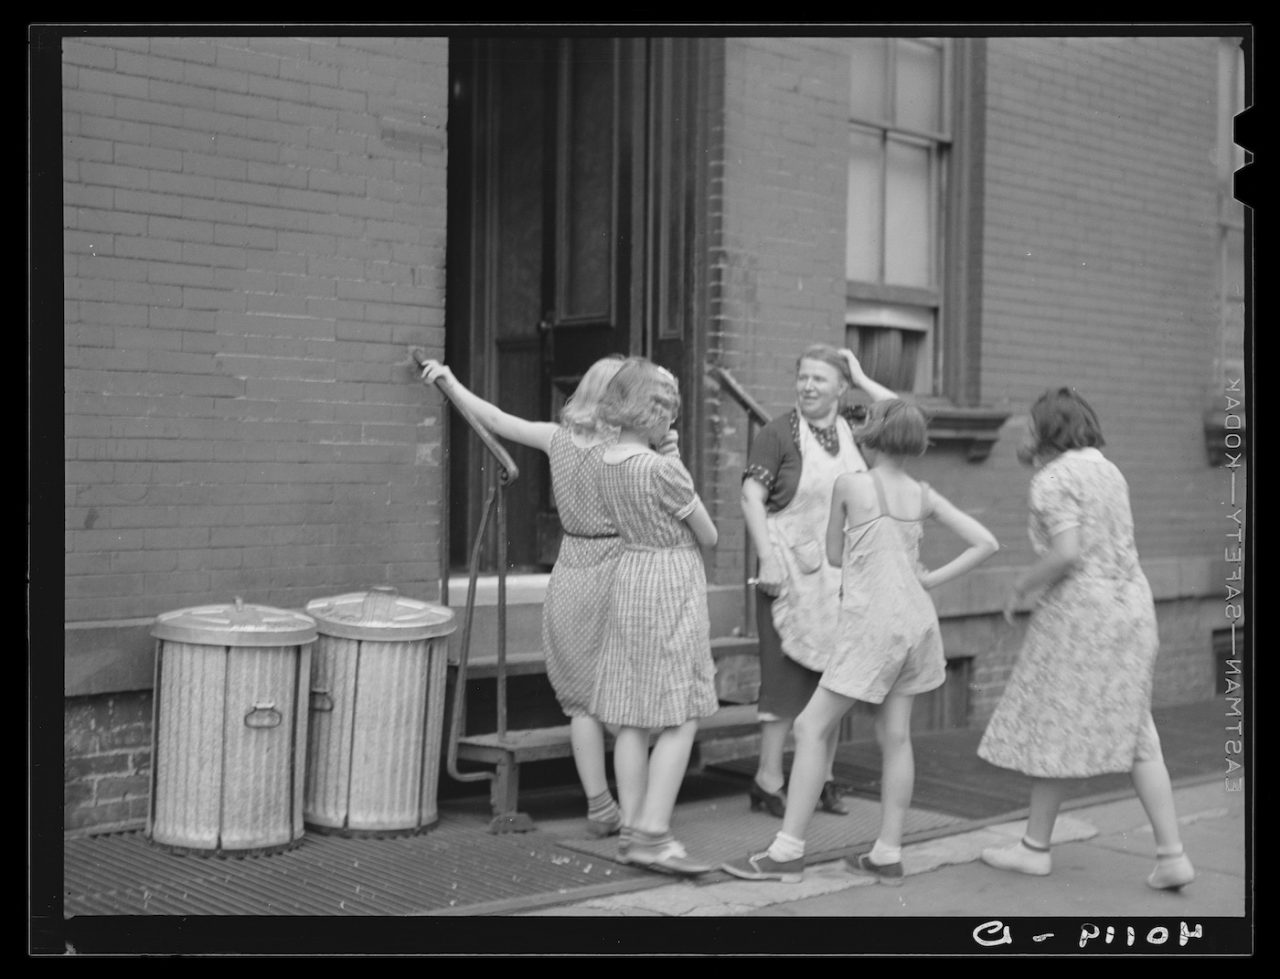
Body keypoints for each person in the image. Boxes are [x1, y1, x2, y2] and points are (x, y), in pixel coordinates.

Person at [724, 398, 999, 883]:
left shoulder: (852, 484)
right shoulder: (923, 493)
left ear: (872, 435)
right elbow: (986, 542)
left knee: (810, 729)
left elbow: (833, 554)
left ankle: (787, 852)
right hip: (917, 621)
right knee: (896, 738)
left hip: (872, 623)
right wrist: (930, 580)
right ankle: (887, 853)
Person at [976, 387, 1196, 890]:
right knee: (1138, 733)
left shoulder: (1053, 479)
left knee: (1055, 721)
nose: (1024, 433)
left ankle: (1035, 848)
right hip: (1132, 607)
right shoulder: (1107, 469)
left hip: (1081, 615)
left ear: (1049, 432)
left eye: (1031, 426)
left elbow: (1066, 553)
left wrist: (1020, 584)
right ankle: (1170, 854)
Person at [420, 354, 646, 838]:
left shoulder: (557, 438)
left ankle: (600, 805)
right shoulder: (633, 452)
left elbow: (497, 420)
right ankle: (637, 816)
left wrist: (451, 381)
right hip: (621, 568)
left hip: (572, 569)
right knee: (627, 698)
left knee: (580, 702)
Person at [740, 346, 896, 818]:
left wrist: (863, 376)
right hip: (786, 574)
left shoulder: (855, 427)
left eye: (820, 379)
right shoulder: (777, 434)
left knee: (834, 681)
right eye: (803, 377)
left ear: (840, 388)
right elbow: (751, 494)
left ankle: (822, 779)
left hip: (842, 578)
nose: (808, 386)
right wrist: (766, 557)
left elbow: (902, 415)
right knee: (784, 685)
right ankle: (768, 780)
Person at [589, 359, 721, 876]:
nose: (670, 418)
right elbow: (707, 534)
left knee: (631, 714)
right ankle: (652, 831)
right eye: (666, 408)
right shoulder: (663, 469)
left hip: (630, 577)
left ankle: (630, 826)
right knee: (680, 712)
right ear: (653, 412)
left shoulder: (606, 460)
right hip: (670, 585)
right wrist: (677, 465)